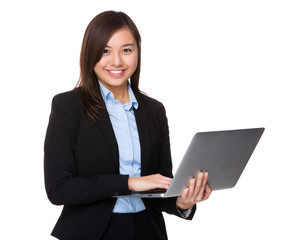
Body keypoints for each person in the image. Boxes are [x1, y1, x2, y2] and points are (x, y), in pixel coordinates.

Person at [44, 10, 212, 240]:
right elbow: (58, 189)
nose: (116, 61)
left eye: (126, 50)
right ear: (89, 53)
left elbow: (160, 184)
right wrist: (130, 182)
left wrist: (183, 202)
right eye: (105, 51)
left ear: (137, 53)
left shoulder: (154, 110)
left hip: (147, 230)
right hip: (91, 233)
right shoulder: (68, 106)